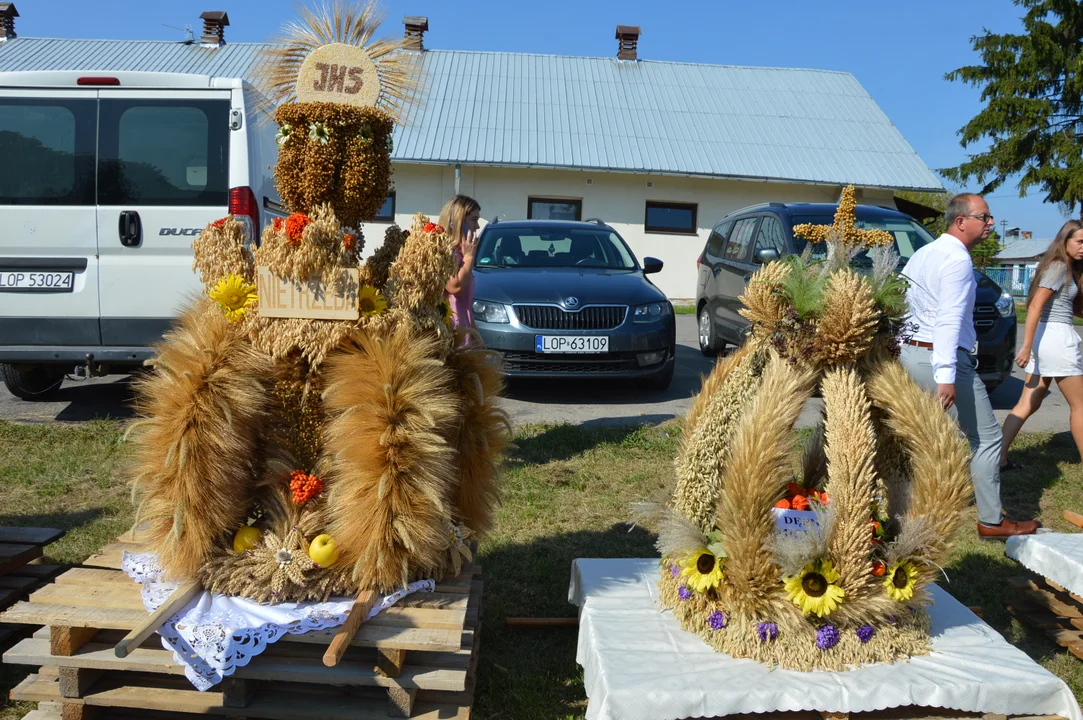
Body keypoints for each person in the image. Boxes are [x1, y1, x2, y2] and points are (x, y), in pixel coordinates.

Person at [900, 192, 1038, 539]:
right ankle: (991, 521)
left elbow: (904, 305)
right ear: (961, 221)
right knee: (988, 439)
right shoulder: (957, 260)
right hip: (941, 358)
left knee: (930, 436)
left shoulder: (922, 254)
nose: (991, 224)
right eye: (985, 218)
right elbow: (948, 320)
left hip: (912, 353)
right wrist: (946, 376)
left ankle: (916, 508)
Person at [1000, 220, 1083, 468]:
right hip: (1056, 340)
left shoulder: (1065, 268)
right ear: (1065, 240)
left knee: (1029, 402)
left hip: (1045, 339)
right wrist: (1025, 346)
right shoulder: (1058, 267)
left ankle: (999, 457)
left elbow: (1065, 307)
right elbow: (1035, 305)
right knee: (1080, 406)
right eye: (1079, 241)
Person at [440, 195, 482, 330]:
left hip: (465, 335)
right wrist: (469, 257)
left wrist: (477, 340)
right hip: (451, 335)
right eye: (474, 220)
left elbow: (466, 306)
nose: (477, 226)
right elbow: (455, 287)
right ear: (459, 221)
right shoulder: (444, 251)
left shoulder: (460, 252)